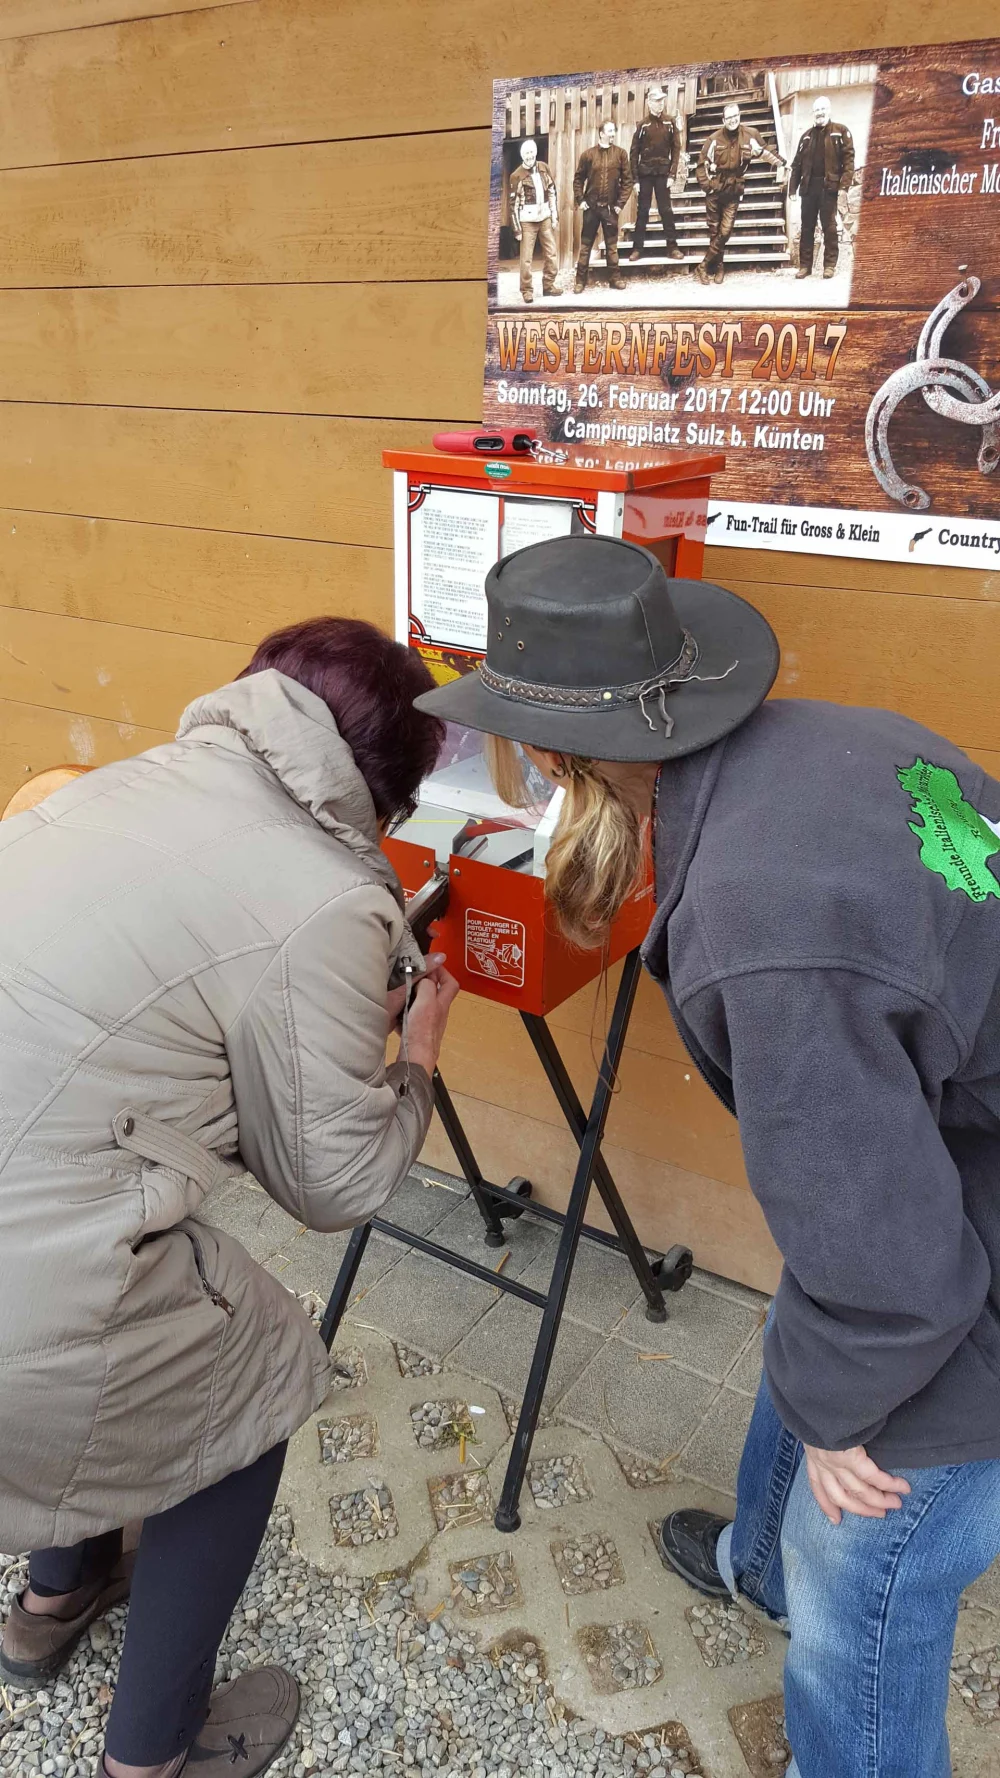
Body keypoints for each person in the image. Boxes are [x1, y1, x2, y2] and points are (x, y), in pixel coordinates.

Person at [414, 532, 1000, 1778]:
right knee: (819, 1311)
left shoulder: (759, 920)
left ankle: (826, 1651)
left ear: (559, 757)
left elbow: (895, 1271)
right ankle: (757, 1565)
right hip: (951, 1127)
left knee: (867, 1556)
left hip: (963, 1206)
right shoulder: (831, 739)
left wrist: (850, 1414)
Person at [0, 616, 460, 1778]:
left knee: (112, 1322)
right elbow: (332, 1181)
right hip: (21, 1293)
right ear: (385, 791)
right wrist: (415, 1055)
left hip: (32, 1212)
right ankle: (150, 1750)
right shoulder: (326, 896)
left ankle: (55, 1595)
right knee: (249, 1389)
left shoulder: (107, 787)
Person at [696, 100, 786, 285]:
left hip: (734, 190)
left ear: (739, 116)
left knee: (725, 231)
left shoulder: (751, 135)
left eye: (735, 116)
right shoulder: (713, 139)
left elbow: (766, 151)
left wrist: (783, 163)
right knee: (714, 231)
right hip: (715, 190)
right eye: (729, 117)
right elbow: (701, 165)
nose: (733, 120)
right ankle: (718, 267)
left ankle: (703, 265)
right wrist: (708, 187)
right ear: (723, 120)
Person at [789, 95, 856, 279]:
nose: (819, 113)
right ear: (813, 112)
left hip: (829, 188)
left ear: (829, 110)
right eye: (817, 110)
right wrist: (793, 188)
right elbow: (796, 164)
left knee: (830, 227)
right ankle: (805, 266)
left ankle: (829, 265)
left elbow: (849, 162)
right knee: (807, 227)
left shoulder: (840, 132)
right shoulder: (806, 137)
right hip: (809, 188)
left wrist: (843, 187)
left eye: (823, 109)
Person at [573, 118, 634, 292]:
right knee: (585, 246)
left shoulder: (621, 154)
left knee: (612, 246)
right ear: (601, 134)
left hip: (610, 209)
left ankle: (615, 279)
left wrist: (620, 203)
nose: (613, 134)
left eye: (614, 131)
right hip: (591, 209)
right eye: (610, 131)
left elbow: (628, 181)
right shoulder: (588, 155)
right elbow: (578, 179)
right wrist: (581, 200)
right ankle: (580, 281)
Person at [628, 86, 685, 263]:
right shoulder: (642, 125)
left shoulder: (670, 123)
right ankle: (637, 249)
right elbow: (633, 153)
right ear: (649, 103)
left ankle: (672, 248)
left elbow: (676, 149)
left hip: (663, 175)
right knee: (643, 211)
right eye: (656, 101)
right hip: (645, 174)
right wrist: (635, 180)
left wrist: (672, 175)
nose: (660, 104)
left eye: (662, 101)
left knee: (666, 210)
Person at [509, 137, 560, 303]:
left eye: (531, 152)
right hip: (527, 222)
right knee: (526, 258)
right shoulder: (516, 176)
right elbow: (513, 205)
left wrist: (554, 216)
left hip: (545, 218)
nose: (529, 156)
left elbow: (552, 192)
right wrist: (517, 230)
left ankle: (549, 285)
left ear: (535, 152)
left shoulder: (544, 168)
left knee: (551, 253)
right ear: (522, 155)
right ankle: (526, 290)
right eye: (526, 153)